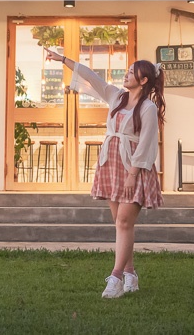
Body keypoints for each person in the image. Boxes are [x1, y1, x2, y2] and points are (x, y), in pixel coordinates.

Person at [45, 49, 165, 299]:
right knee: (121, 224)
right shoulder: (117, 96)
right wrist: (63, 59)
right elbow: (92, 77)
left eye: (133, 72)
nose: (127, 73)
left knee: (124, 222)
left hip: (134, 166)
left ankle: (116, 277)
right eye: (129, 70)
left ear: (144, 81)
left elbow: (146, 143)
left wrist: (133, 173)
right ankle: (130, 272)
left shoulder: (148, 108)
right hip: (110, 163)